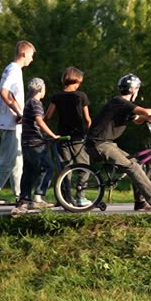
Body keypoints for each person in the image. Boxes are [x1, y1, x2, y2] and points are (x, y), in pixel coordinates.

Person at [85, 74, 151, 212]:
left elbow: (137, 118)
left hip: (106, 143)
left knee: (138, 163)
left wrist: (147, 118)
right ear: (134, 90)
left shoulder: (123, 106)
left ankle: (140, 203)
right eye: (138, 89)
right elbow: (144, 111)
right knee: (133, 167)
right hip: (99, 144)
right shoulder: (120, 102)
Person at [0, 41, 36, 204]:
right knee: (8, 160)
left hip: (13, 123)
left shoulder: (12, 69)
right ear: (24, 54)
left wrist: (21, 114)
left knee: (17, 160)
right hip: (10, 123)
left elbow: (11, 95)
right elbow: (5, 93)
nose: (32, 60)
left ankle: (21, 194)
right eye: (31, 56)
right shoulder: (14, 70)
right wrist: (19, 113)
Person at [12, 78, 60, 215]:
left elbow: (26, 119)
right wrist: (52, 135)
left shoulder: (28, 103)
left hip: (26, 143)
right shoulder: (37, 104)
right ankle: (38, 197)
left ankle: (24, 199)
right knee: (48, 168)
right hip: (36, 143)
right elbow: (39, 120)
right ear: (40, 89)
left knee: (29, 171)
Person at [45, 66, 92, 205]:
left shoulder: (56, 97)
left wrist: (45, 130)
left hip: (62, 137)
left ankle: (65, 197)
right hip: (78, 137)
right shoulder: (81, 96)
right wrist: (90, 133)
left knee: (66, 168)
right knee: (84, 167)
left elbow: (47, 116)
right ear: (77, 81)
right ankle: (80, 196)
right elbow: (87, 119)